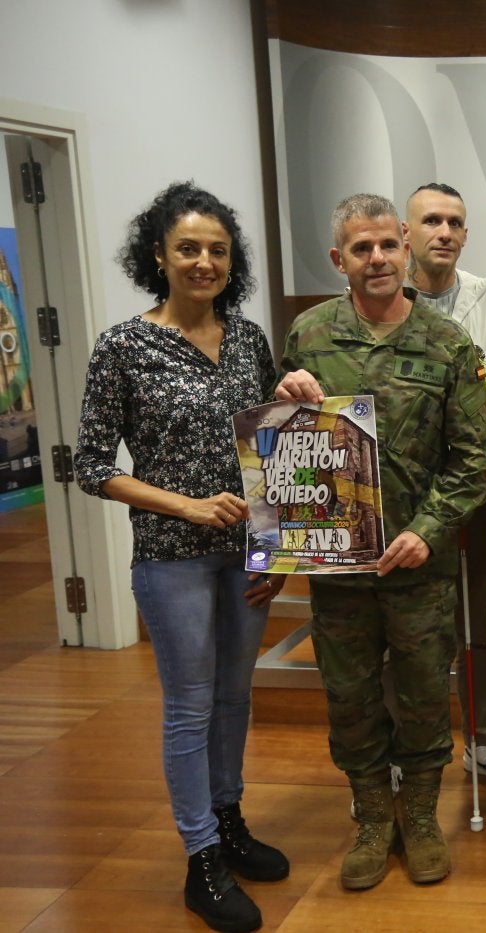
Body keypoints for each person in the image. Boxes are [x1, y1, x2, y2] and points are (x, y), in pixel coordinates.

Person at [74, 181, 288, 933]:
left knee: (235, 696)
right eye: (188, 248)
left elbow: (274, 447)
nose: (204, 262)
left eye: (218, 250)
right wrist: (187, 504)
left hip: (247, 555)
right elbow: (91, 465)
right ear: (158, 256)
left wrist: (278, 547)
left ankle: (229, 821)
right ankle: (201, 858)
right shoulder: (123, 347)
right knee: (191, 705)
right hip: (172, 558)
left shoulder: (249, 339)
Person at [276, 193, 486, 891]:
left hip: (419, 564)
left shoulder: (447, 342)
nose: (376, 259)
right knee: (350, 696)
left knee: (425, 694)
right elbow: (281, 447)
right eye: (360, 249)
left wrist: (427, 532)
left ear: (404, 246)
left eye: (386, 246)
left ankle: (421, 817)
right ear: (338, 259)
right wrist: (285, 399)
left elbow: (472, 459)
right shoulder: (309, 335)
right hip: (337, 563)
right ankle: (373, 817)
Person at [402, 182, 486, 791]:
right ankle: (404, 752)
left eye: (454, 223)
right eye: (431, 221)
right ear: (406, 233)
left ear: (466, 234)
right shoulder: (380, 299)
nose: (443, 232)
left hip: (474, 488)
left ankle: (483, 741)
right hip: (402, 497)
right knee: (408, 633)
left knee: (478, 629)